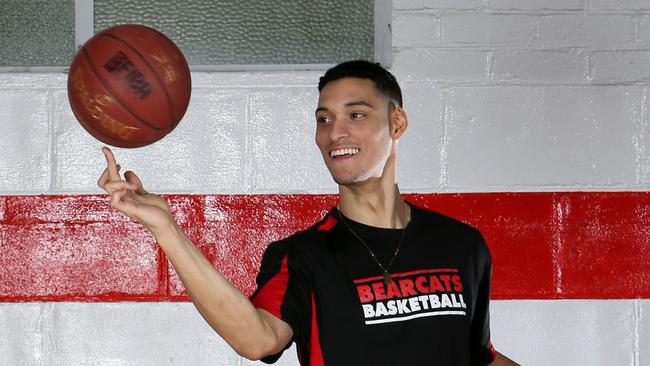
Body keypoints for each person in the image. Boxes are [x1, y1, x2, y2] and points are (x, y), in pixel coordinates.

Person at [98, 60, 519, 365]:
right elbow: (257, 339)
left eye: (356, 114)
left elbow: (476, 357)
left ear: (397, 123)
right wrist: (167, 229)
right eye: (324, 118)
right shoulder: (303, 257)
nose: (336, 132)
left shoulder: (462, 245)